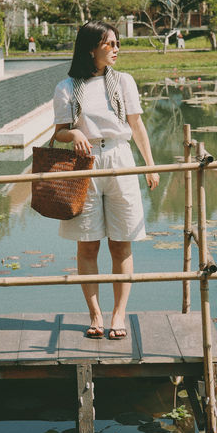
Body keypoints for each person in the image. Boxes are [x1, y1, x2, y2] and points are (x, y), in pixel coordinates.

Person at [52, 21, 159, 340]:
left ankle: (118, 314)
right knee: (87, 243)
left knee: (122, 243)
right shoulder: (67, 87)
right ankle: (95, 314)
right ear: (91, 48)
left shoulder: (124, 82)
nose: (115, 49)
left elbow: (137, 127)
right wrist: (73, 133)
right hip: (84, 163)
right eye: (109, 44)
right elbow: (58, 133)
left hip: (120, 157)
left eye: (116, 43)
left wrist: (149, 166)